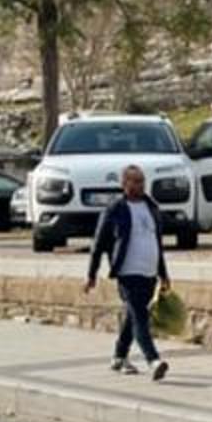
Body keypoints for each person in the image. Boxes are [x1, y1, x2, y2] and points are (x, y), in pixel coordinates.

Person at [85, 161, 172, 381]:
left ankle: (119, 356)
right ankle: (153, 360)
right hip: (127, 273)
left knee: (134, 316)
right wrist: (92, 274)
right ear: (125, 184)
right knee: (140, 317)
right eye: (136, 181)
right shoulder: (115, 209)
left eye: (143, 181)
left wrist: (163, 274)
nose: (141, 185)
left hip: (149, 273)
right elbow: (98, 244)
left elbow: (157, 243)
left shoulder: (151, 207)